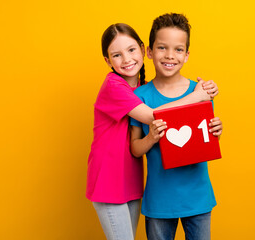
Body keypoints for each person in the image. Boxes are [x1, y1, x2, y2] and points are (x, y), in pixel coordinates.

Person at [86, 23, 219, 240]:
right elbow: (154, 116)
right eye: (117, 55)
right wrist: (197, 97)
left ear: (141, 49)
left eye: (131, 50)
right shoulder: (114, 86)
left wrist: (208, 108)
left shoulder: (139, 88)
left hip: (130, 178)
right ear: (108, 61)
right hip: (109, 179)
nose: (127, 59)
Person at [130, 13, 223, 240]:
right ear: (149, 52)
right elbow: (135, 149)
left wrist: (216, 132)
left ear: (187, 55)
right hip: (160, 201)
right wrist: (151, 137)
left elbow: (204, 140)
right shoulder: (139, 97)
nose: (170, 55)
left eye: (178, 49)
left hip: (198, 198)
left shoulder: (201, 91)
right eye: (162, 48)